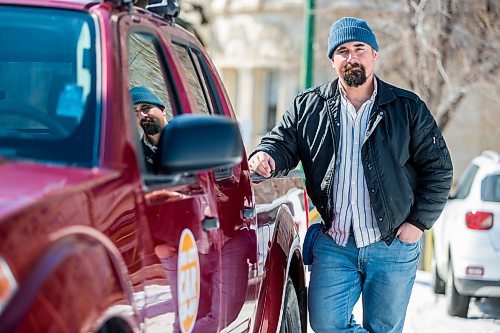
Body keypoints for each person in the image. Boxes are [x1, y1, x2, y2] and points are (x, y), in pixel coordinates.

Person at [248, 16, 453, 333]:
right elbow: (281, 143)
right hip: (336, 242)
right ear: (332, 61)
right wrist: (265, 155)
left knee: (383, 327)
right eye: (342, 51)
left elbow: (439, 169)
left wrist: (418, 223)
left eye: (359, 48)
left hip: (392, 243)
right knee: (326, 324)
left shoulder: (407, 108)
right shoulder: (308, 107)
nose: (351, 56)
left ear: (374, 55)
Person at [130, 86, 169, 173]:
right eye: (135, 111)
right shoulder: (135, 157)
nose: (141, 115)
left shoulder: (183, 136)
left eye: (146, 108)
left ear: (163, 110)